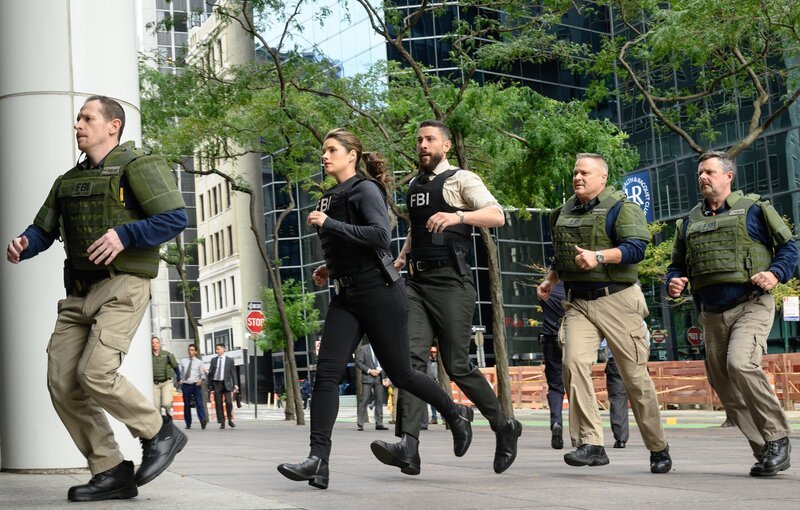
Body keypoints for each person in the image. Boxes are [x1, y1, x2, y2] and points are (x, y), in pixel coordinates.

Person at [5, 95, 189, 501]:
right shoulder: (67, 180)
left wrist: (125, 234)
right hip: (79, 293)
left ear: (113, 126)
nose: (78, 125)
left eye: (88, 118)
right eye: (78, 119)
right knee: (62, 382)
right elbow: (44, 229)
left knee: (96, 372)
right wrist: (24, 243)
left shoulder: (137, 165)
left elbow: (175, 217)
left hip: (122, 284)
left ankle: (160, 433)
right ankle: (110, 469)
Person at [276, 128, 473, 490]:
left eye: (332, 149)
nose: (325, 155)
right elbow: (350, 246)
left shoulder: (364, 189)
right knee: (326, 374)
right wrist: (329, 267)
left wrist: (330, 224)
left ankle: (456, 415)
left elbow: (380, 236)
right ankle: (318, 461)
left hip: (381, 292)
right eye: (324, 150)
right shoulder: (330, 196)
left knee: (402, 374)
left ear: (352, 155)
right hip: (346, 295)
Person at [372, 120, 521, 476]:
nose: (423, 145)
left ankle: (503, 425)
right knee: (408, 363)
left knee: (457, 365)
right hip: (416, 283)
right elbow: (417, 228)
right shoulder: (413, 185)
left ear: (446, 145)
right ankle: (408, 446)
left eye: (430, 140)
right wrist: (403, 255)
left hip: (452, 282)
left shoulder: (461, 179)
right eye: (419, 140)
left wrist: (459, 215)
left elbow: (497, 216)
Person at [536, 153, 671, 474]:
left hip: (619, 300)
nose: (578, 178)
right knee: (572, 363)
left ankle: (658, 446)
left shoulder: (622, 207)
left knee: (634, 377)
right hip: (578, 302)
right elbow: (562, 254)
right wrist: (550, 279)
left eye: (585, 173)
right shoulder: (563, 212)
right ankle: (592, 444)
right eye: (575, 172)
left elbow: (637, 247)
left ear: (602, 178)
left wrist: (600, 256)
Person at [667, 150, 797, 477]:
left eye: (709, 171)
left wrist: (776, 273)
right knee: (722, 383)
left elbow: (789, 248)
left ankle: (778, 436)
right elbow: (677, 265)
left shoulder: (755, 209)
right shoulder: (689, 221)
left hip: (751, 303)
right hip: (710, 313)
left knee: (741, 363)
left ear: (728, 176)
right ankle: (766, 449)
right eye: (699, 173)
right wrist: (673, 281)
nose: (702, 177)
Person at [538, 281, 566, 450]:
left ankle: (556, 422)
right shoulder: (575, 289)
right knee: (577, 385)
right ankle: (581, 433)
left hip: (549, 340)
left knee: (555, 387)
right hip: (572, 340)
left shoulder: (546, 289)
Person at [600, 339, 629, 449]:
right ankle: (653, 437)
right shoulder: (640, 323)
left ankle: (620, 438)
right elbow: (647, 344)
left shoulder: (608, 322)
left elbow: (600, 345)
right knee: (643, 399)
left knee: (617, 399)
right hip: (635, 361)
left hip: (615, 361)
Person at [355, 341, 387, 431]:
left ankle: (379, 423)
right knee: (364, 400)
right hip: (368, 377)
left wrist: (385, 376)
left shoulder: (382, 349)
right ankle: (360, 423)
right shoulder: (364, 349)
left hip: (379, 378)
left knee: (379, 401)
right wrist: (369, 370)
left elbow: (386, 362)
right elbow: (359, 362)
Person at [178, 343, 208, 430]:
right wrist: (180, 379)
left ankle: (202, 420)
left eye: (192, 350)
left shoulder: (199, 362)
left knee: (199, 403)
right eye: (189, 350)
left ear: (195, 352)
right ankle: (188, 423)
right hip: (186, 385)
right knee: (186, 405)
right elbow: (180, 372)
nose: (190, 352)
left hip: (195, 385)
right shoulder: (183, 361)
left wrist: (201, 380)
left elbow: (203, 375)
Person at [209, 343, 238, 429]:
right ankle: (222, 422)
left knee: (228, 402)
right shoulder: (213, 360)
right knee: (218, 403)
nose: (216, 351)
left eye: (218, 349)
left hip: (227, 384)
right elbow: (211, 372)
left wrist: (235, 384)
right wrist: (210, 384)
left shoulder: (230, 360)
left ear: (223, 349)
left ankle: (229, 419)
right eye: (216, 349)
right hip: (217, 383)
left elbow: (233, 373)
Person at [151, 336, 180, 417]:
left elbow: (175, 366)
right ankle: (160, 424)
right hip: (155, 384)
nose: (155, 344)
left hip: (166, 382)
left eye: (156, 342)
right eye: (153, 343)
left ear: (159, 344)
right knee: (156, 406)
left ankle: (168, 413)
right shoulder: (148, 356)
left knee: (167, 403)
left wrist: (179, 377)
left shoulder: (167, 354)